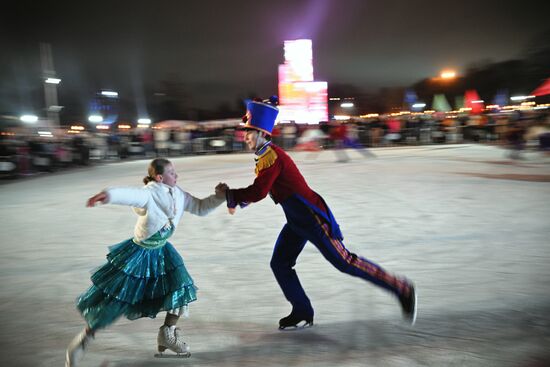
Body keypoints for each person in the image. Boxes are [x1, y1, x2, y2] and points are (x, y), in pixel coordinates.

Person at [225, 97, 417, 330]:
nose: (244, 136)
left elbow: (259, 191)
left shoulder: (271, 156)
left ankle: (401, 287)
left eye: (248, 132)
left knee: (345, 262)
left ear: (262, 133)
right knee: (280, 263)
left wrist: (233, 195)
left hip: (312, 217)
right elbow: (267, 189)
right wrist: (239, 200)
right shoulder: (266, 155)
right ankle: (302, 311)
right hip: (297, 220)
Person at [65, 158, 227, 366]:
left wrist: (220, 197)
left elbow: (200, 207)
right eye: (171, 172)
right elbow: (131, 195)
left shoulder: (179, 194)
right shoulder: (150, 193)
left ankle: (167, 333)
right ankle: (82, 342)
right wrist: (109, 195)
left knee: (181, 287)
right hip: (139, 254)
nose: (176, 176)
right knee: (116, 302)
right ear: (160, 177)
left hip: (162, 252)